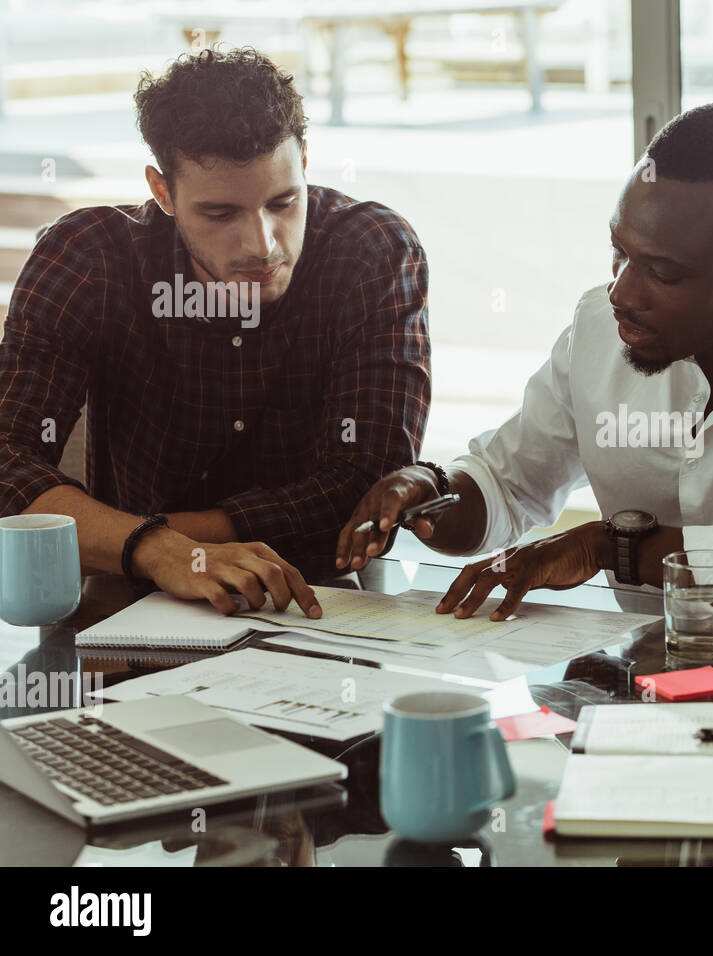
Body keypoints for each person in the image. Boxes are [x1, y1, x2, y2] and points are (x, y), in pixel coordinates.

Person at [339, 102, 713, 625]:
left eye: (662, 272)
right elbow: (511, 483)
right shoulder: (598, 328)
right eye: (619, 252)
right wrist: (431, 494)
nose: (622, 293)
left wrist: (619, 548)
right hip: (637, 697)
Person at [0, 47, 431, 618]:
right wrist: (156, 550)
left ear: (304, 159)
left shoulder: (370, 251)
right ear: (162, 191)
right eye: (221, 214)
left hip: (322, 602)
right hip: (129, 603)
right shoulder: (90, 257)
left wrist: (156, 543)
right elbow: (7, 458)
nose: (263, 244)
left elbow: (368, 487)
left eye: (283, 201)